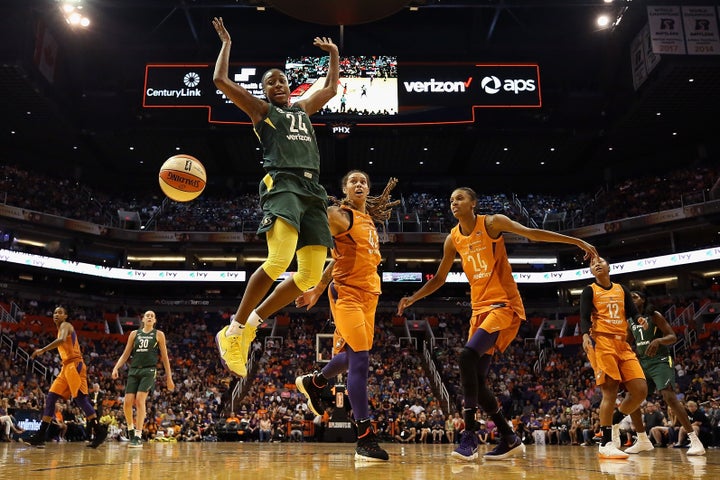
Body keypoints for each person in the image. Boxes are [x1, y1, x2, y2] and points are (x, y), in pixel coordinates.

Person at [396, 187, 597, 461]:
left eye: (460, 198)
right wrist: (412, 297)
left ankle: (469, 435)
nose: (454, 203)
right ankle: (509, 437)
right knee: (477, 382)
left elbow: (531, 233)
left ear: (473, 203)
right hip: (479, 309)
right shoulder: (452, 238)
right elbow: (440, 278)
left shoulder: (492, 223)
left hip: (503, 304)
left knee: (466, 356)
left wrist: (576, 242)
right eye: (451, 200)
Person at [211, 16, 340, 378]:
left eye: (282, 80)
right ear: (264, 90)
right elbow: (221, 80)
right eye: (271, 82)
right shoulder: (262, 112)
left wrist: (334, 53)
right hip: (282, 185)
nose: (278, 84)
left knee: (311, 275)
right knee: (279, 259)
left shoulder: (301, 110)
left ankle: (251, 323)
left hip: (313, 191)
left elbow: (330, 89)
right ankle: (233, 330)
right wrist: (227, 44)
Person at [294, 171, 399, 461]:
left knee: (354, 356)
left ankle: (315, 381)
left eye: (364, 181)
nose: (359, 184)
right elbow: (318, 217)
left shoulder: (369, 223)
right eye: (352, 181)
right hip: (347, 295)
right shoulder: (341, 215)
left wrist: (316, 290)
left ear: (369, 188)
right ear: (345, 189)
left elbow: (337, 260)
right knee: (361, 360)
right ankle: (365, 439)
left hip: (369, 296)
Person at [580, 257, 648, 459]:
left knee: (640, 390)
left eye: (600, 261)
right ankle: (606, 442)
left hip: (623, 344)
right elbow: (584, 317)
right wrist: (585, 336)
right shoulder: (589, 291)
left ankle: (615, 420)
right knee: (610, 391)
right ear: (592, 271)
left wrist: (639, 319)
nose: (597, 264)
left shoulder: (622, 289)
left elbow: (633, 312)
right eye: (593, 264)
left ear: (609, 267)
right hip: (603, 342)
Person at [624, 290, 706, 455]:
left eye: (635, 296)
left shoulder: (654, 315)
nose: (632, 299)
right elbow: (627, 341)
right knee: (631, 398)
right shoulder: (631, 321)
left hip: (660, 360)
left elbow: (672, 336)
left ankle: (695, 441)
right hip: (643, 363)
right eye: (630, 297)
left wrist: (659, 340)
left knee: (668, 396)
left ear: (643, 299)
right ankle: (642, 440)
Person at [25, 306, 108, 448]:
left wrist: (42, 350)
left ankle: (99, 431)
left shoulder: (66, 325)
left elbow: (62, 340)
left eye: (60, 312)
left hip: (75, 365)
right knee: (51, 397)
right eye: (55, 312)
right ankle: (41, 435)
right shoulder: (60, 328)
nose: (56, 314)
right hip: (65, 367)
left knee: (80, 399)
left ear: (66, 316)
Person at [111, 310, 175, 448]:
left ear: (155, 320)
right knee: (127, 403)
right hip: (134, 370)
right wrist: (116, 367)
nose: (150, 317)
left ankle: (138, 435)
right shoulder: (134, 334)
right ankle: (131, 431)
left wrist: (169, 377)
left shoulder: (159, 334)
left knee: (140, 400)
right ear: (143, 319)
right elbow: (126, 353)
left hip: (149, 370)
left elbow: (164, 357)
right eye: (148, 315)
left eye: (152, 315)